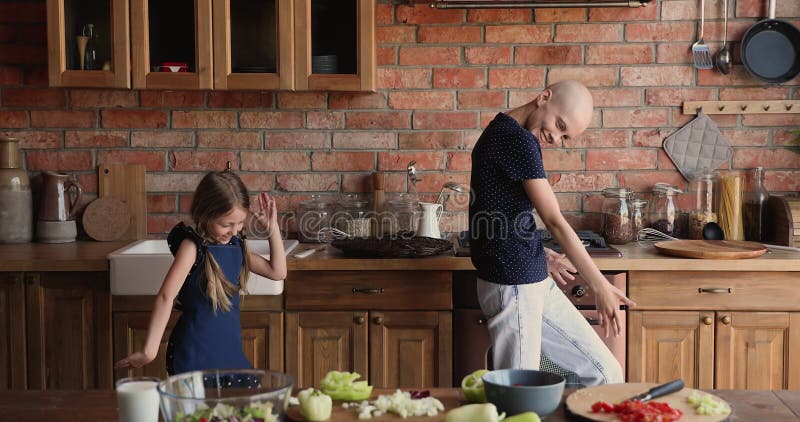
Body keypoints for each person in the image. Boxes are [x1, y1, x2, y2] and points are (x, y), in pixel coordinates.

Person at [469, 80, 635, 386]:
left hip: (528, 277)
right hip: (514, 285)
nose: (555, 137)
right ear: (544, 96)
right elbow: (554, 220)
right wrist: (598, 284)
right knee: (517, 399)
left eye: (564, 136)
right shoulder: (517, 140)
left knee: (605, 374)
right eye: (559, 125)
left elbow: (498, 215)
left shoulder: (499, 130)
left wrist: (538, 252)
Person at [114, 170, 287, 375]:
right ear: (205, 214)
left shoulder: (236, 246)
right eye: (226, 224)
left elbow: (278, 272)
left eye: (240, 223)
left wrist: (272, 229)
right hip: (193, 354)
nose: (234, 231)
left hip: (228, 353)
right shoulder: (192, 247)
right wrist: (149, 351)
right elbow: (165, 296)